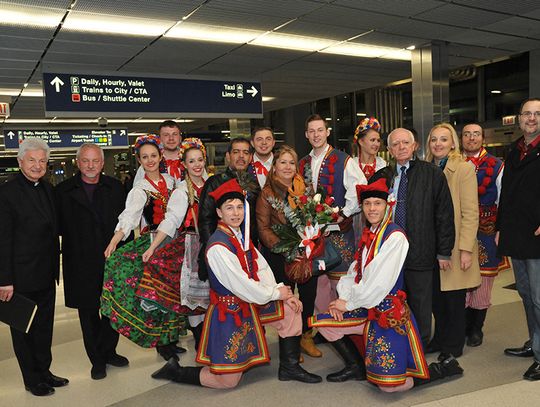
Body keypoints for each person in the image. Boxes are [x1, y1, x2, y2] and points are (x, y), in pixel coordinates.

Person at [151, 179, 322, 388]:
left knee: (291, 308)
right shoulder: (217, 247)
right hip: (231, 310)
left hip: (250, 302)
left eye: (240, 207)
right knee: (227, 381)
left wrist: (281, 290)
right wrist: (277, 294)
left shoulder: (240, 236)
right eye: (229, 208)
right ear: (219, 213)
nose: (236, 213)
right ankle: (176, 372)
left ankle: (289, 367)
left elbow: (260, 266)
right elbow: (242, 286)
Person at [310, 178, 462, 390]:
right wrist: (343, 298)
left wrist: (348, 304)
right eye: (367, 204)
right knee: (324, 323)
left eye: (377, 203)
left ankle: (441, 369)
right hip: (366, 305)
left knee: (388, 387)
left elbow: (378, 285)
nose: (372, 208)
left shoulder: (395, 237)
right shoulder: (370, 234)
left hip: (387, 313)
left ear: (387, 205)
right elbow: (356, 270)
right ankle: (358, 366)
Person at [101, 135, 184, 360]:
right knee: (157, 294)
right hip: (154, 246)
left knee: (175, 292)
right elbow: (130, 216)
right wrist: (115, 240)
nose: (150, 160)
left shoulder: (173, 181)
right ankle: (162, 344)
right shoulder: (140, 189)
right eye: (145, 157)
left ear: (160, 157)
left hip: (176, 244)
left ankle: (172, 339)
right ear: (139, 160)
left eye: (153, 156)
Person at [373, 128, 454, 347]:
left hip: (421, 251)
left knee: (420, 305)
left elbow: (444, 215)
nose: (401, 147)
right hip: (389, 255)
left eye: (405, 143)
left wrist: (444, 251)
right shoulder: (382, 177)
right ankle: (398, 349)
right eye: (395, 144)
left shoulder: (432, 174)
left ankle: (421, 350)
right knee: (391, 302)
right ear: (389, 149)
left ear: (414, 146)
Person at [0, 138, 68, 397]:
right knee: (23, 331)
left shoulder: (48, 189)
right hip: (19, 277)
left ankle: (45, 372)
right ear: (20, 162)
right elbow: (3, 239)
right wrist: (4, 280)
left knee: (43, 328)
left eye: (42, 161)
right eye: (32, 160)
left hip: (45, 274)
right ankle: (31, 379)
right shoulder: (6, 193)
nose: (38, 166)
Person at [56, 143, 129, 380]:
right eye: (85, 161)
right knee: (88, 314)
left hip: (112, 261)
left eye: (95, 161)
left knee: (112, 310)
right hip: (80, 263)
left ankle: (109, 351)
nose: (90, 165)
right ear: (78, 162)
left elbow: (126, 226)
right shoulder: (63, 191)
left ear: (102, 163)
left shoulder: (116, 188)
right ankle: (96, 360)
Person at [299, 114, 366, 348]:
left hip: (339, 235)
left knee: (342, 284)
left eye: (320, 130)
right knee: (319, 285)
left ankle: (348, 332)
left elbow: (359, 190)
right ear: (306, 135)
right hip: (313, 236)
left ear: (327, 132)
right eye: (311, 131)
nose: (316, 135)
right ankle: (325, 330)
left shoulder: (343, 159)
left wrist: (344, 214)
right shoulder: (303, 163)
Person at [138, 138, 209, 351]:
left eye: (200, 160)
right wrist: (152, 247)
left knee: (212, 294)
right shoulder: (181, 192)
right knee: (196, 297)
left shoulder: (212, 184)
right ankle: (200, 342)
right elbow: (170, 222)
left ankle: (210, 338)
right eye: (191, 161)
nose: (196, 165)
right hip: (193, 247)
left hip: (215, 245)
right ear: (184, 165)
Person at [256, 145, 323, 358]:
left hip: (306, 253)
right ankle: (291, 343)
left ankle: (306, 336)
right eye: (282, 162)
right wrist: (286, 248)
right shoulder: (267, 193)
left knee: (308, 295)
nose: (287, 167)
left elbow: (314, 217)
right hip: (281, 256)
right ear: (274, 167)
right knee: (287, 300)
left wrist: (311, 237)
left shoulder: (305, 189)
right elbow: (263, 228)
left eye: (291, 162)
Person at [425, 123, 480, 365]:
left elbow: (471, 211)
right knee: (436, 296)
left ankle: (453, 344)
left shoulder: (464, 169)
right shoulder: (427, 169)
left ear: (452, 143)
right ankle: (440, 338)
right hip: (433, 245)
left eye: (443, 139)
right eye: (434, 139)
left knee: (454, 298)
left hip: (456, 244)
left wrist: (466, 249)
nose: (438, 144)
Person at [497, 98, 540, 380]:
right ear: (519, 118)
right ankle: (534, 342)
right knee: (525, 293)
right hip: (515, 233)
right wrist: (500, 226)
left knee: (539, 297)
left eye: (538, 114)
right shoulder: (514, 150)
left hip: (537, 235)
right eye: (527, 114)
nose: (532, 118)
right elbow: (507, 193)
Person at [461, 123, 508, 347]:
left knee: (483, 279)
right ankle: (461, 325)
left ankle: (476, 328)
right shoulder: (452, 162)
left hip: (486, 230)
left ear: (483, 138)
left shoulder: (496, 165)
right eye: (467, 135)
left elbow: (504, 200)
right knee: (459, 276)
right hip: (458, 229)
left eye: (476, 134)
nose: (471, 138)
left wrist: (500, 229)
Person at [198, 137, 260, 280]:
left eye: (245, 152)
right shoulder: (215, 182)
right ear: (228, 156)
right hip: (222, 249)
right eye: (236, 152)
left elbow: (256, 220)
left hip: (247, 251)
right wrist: (214, 251)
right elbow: (205, 220)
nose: (241, 156)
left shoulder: (254, 185)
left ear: (251, 157)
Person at [353, 117, 387, 181]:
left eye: (378, 140)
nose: (376, 144)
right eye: (372, 140)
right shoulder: (352, 164)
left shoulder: (383, 165)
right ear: (361, 142)